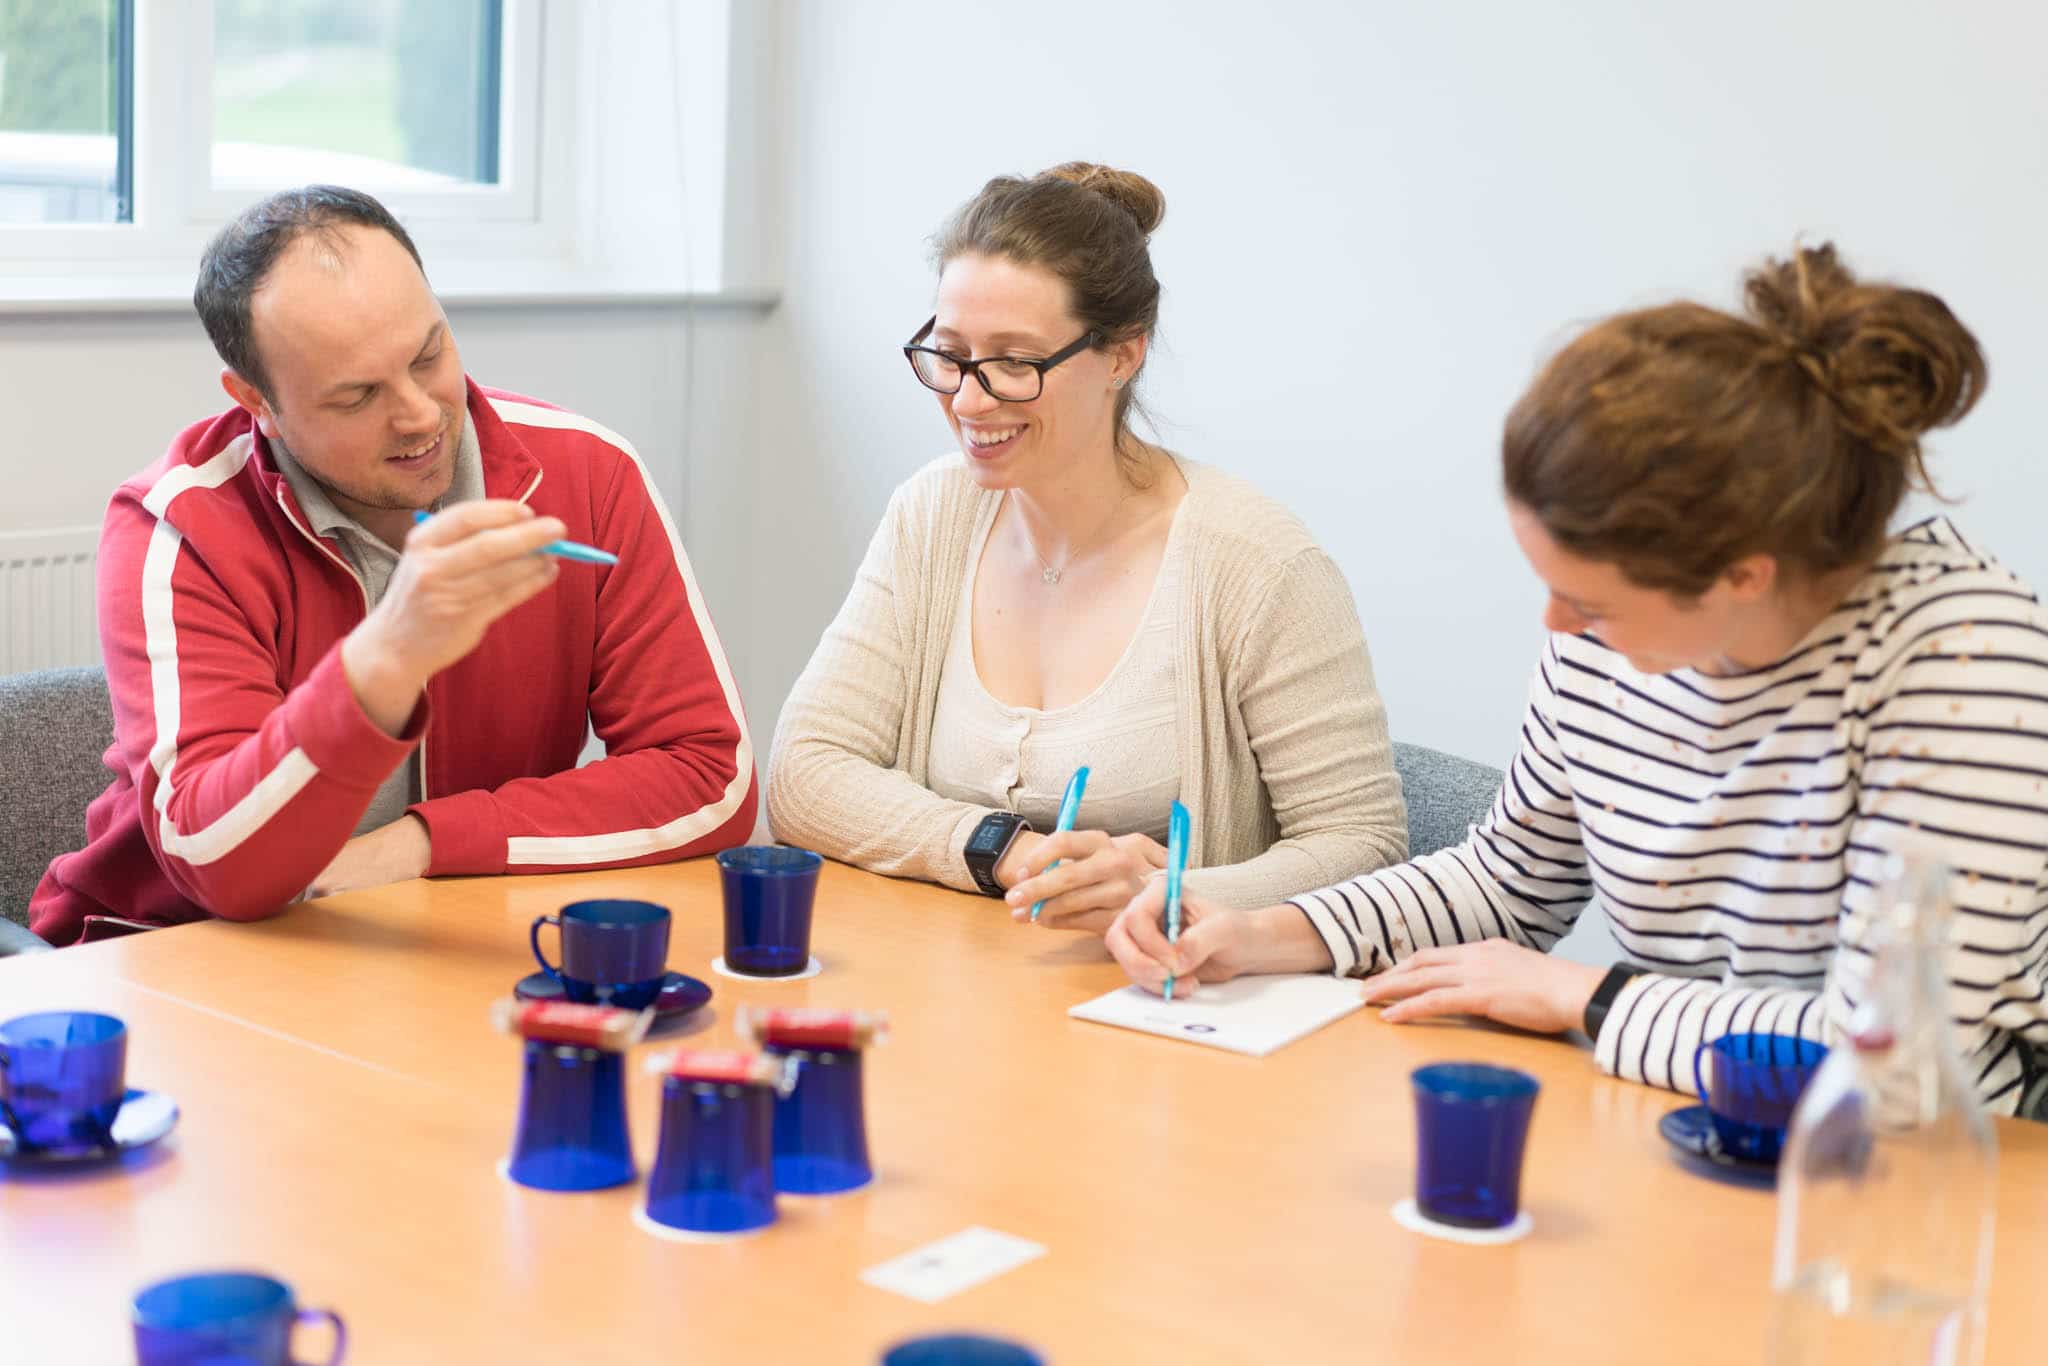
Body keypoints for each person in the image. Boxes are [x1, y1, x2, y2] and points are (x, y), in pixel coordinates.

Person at [1108, 243, 2048, 1115]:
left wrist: (1585, 998)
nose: (1559, 627)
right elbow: (1511, 880)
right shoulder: (1605, 641)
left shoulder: (1964, 663)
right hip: (1681, 1120)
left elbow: (1903, 1058)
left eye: (1590, 601)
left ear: (1743, 575)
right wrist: (1261, 931)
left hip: (1913, 1175)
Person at [28, 186, 756, 946]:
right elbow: (218, 866)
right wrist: (387, 659)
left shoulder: (589, 474)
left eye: (428, 355)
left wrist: (423, 844)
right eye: (356, 396)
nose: (418, 413)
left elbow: (710, 773)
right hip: (179, 957)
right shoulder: (178, 527)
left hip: (426, 938)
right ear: (257, 403)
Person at [767, 163, 1405, 929]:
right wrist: (999, 849)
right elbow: (805, 773)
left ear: (1122, 355)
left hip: (1171, 1016)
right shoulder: (932, 515)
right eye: (950, 352)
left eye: (1014, 362)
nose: (969, 399)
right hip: (961, 992)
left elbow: (1365, 846)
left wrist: (1173, 895)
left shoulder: (1256, 564)